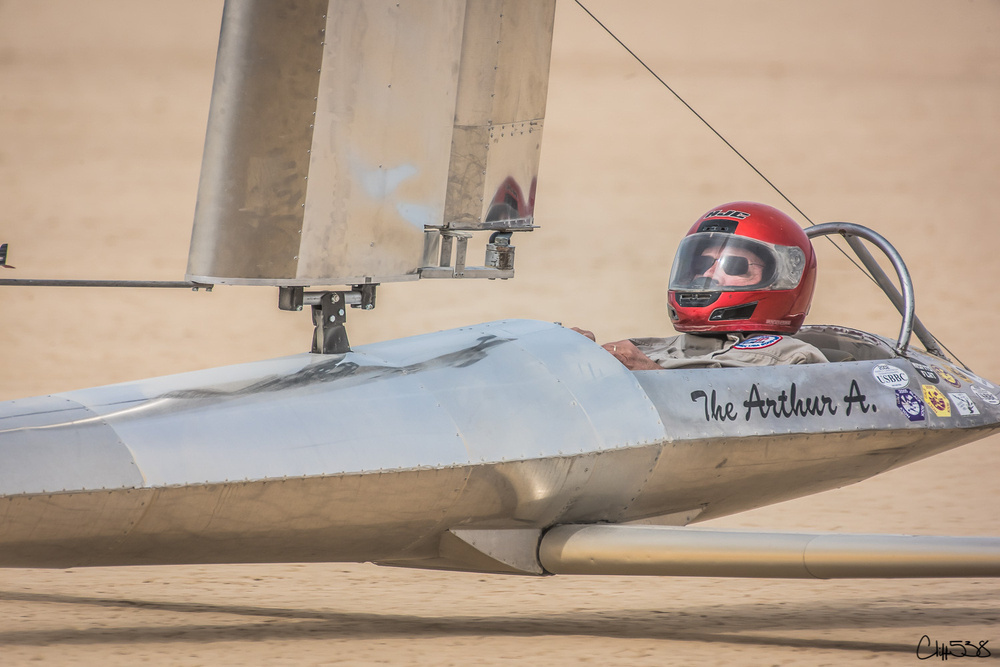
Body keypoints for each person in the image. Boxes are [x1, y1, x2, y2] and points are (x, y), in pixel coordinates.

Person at [574, 201, 828, 370]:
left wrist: (652, 376)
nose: (708, 274)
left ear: (782, 278)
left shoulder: (795, 359)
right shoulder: (651, 349)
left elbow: (744, 417)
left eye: (735, 266)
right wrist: (570, 355)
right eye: (702, 264)